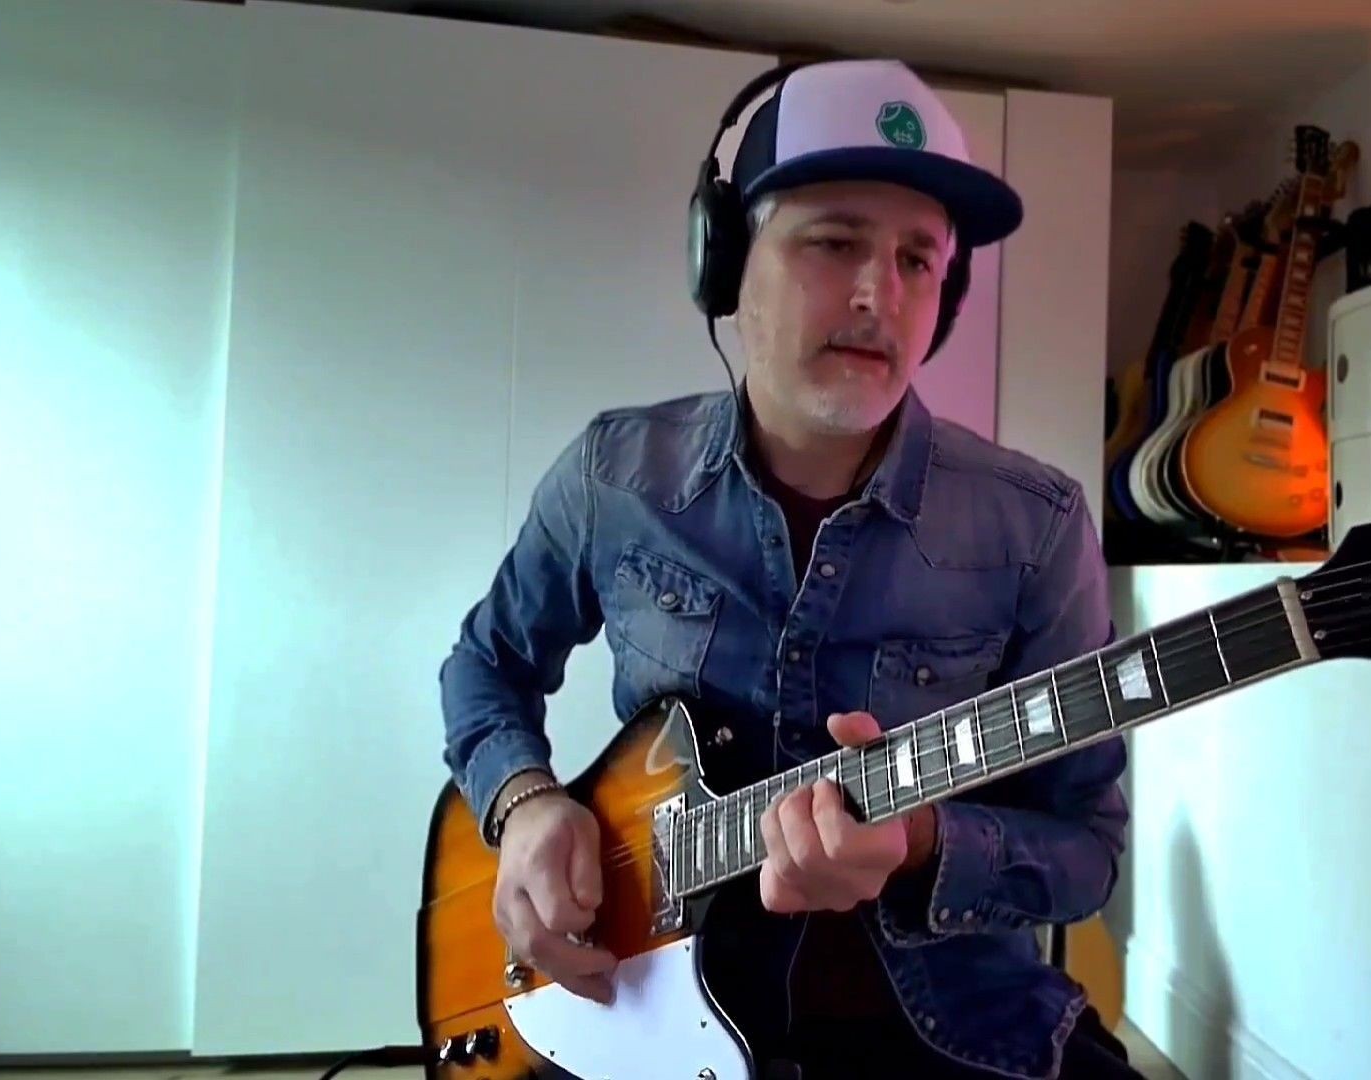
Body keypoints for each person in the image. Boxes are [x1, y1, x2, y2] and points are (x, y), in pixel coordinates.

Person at [438, 57, 1139, 1080]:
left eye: (916, 261)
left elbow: (1089, 850)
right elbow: (485, 663)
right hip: (636, 1005)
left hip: (961, 1020)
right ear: (726, 267)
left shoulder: (1038, 524)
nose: (877, 296)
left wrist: (919, 845)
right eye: (833, 242)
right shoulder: (614, 476)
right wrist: (524, 801)